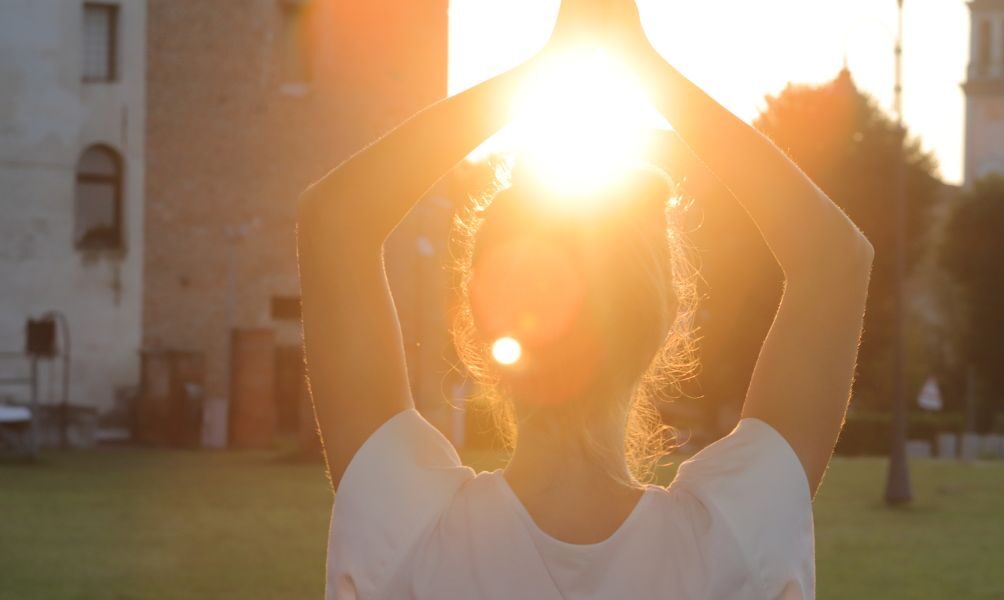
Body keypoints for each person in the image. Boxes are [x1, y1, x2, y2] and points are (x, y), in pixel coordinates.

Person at [298, 1, 873, 598]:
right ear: (667, 317)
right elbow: (835, 259)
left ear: (475, 317)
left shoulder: (412, 540)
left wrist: (540, 71)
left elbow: (334, 220)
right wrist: (644, 66)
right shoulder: (731, 547)